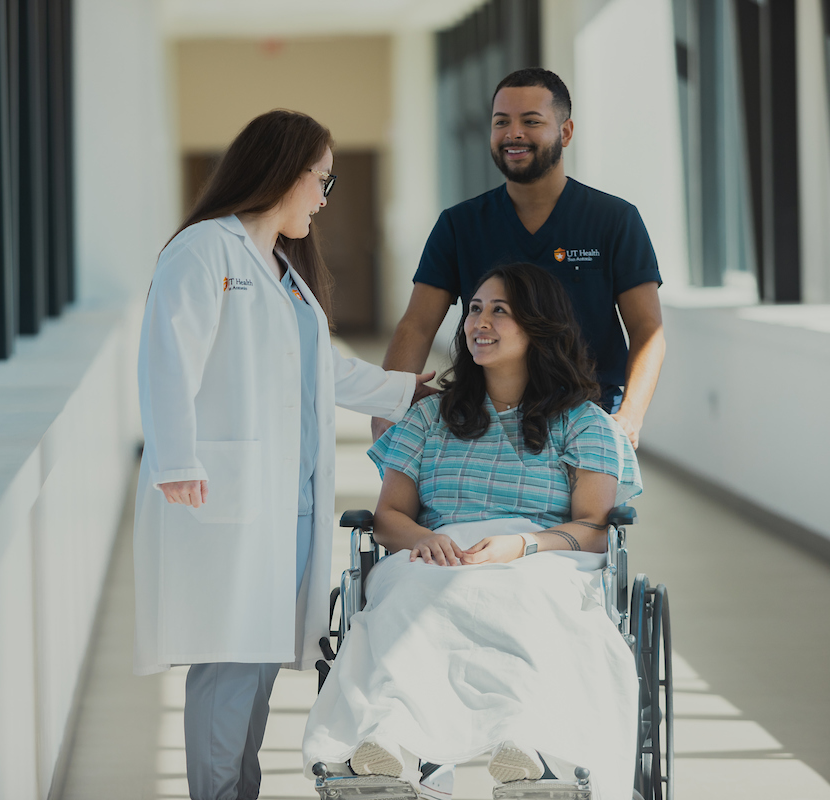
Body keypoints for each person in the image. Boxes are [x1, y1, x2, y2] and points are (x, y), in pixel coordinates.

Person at [134, 109, 433, 800]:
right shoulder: (205, 250)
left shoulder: (281, 269)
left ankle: (241, 789)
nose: (326, 198)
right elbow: (168, 359)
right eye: (321, 180)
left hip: (285, 500)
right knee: (230, 659)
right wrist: (176, 459)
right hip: (224, 496)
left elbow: (320, 369)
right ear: (282, 171)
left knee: (260, 660)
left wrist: (404, 390)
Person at [304, 263, 642, 800]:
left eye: (499, 311)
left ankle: (523, 738)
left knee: (526, 593)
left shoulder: (586, 423)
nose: (479, 322)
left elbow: (596, 528)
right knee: (405, 594)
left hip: (539, 557)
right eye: (475, 310)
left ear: (539, 326)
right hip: (439, 552)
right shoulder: (428, 417)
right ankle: (385, 737)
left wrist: (522, 545)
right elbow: (389, 513)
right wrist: (421, 539)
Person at [374, 67, 665, 449]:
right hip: (485, 417)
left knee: (590, 512)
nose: (514, 133)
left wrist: (630, 416)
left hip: (588, 416)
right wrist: (386, 408)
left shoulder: (614, 220)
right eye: (501, 122)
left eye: (531, 121)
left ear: (565, 132)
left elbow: (648, 329)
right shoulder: (459, 225)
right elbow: (416, 324)